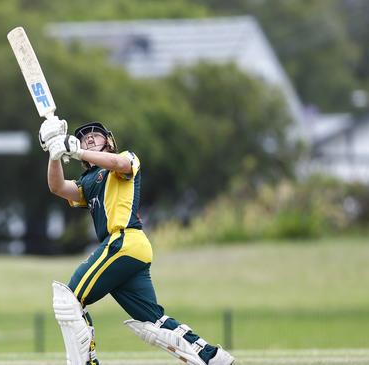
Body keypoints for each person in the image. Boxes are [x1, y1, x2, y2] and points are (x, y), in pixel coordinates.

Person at [38, 117, 235, 365]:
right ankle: (212, 358)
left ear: (109, 141)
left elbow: (118, 163)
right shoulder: (87, 183)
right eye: (83, 136)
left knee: (69, 300)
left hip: (124, 242)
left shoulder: (125, 159)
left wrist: (76, 150)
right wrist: (53, 151)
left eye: (95, 134)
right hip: (130, 252)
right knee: (153, 322)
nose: (89, 137)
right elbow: (57, 187)